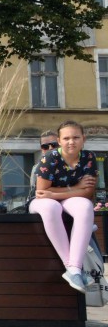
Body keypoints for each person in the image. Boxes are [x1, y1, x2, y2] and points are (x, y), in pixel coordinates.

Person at [29, 121, 99, 293]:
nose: (71, 142)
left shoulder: (89, 158)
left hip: (66, 199)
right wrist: (75, 188)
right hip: (41, 203)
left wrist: (56, 193)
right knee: (51, 207)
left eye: (76, 137)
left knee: (85, 206)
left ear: (84, 139)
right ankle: (73, 268)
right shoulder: (50, 158)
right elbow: (41, 193)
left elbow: (87, 193)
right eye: (66, 138)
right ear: (59, 141)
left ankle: (73, 269)